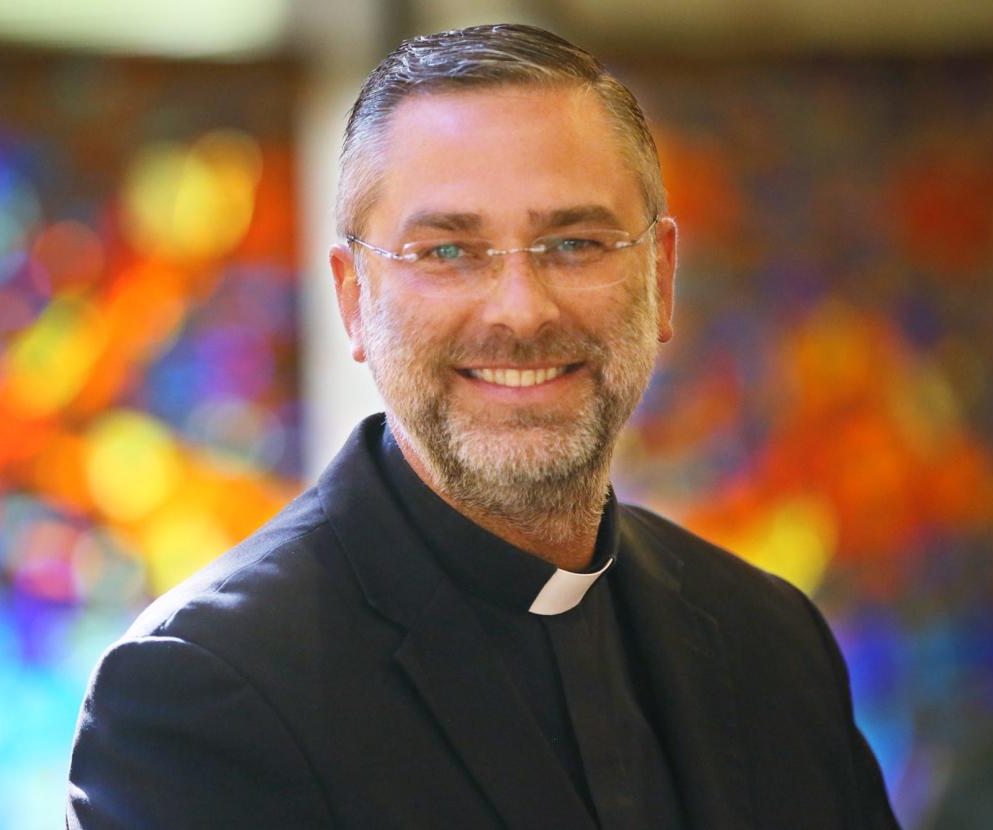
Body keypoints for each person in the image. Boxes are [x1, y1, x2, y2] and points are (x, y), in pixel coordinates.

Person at [67, 23, 901, 829]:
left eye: (575, 242)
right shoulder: (203, 693)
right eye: (448, 252)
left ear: (662, 277)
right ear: (354, 301)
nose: (521, 311)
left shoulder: (771, 642)